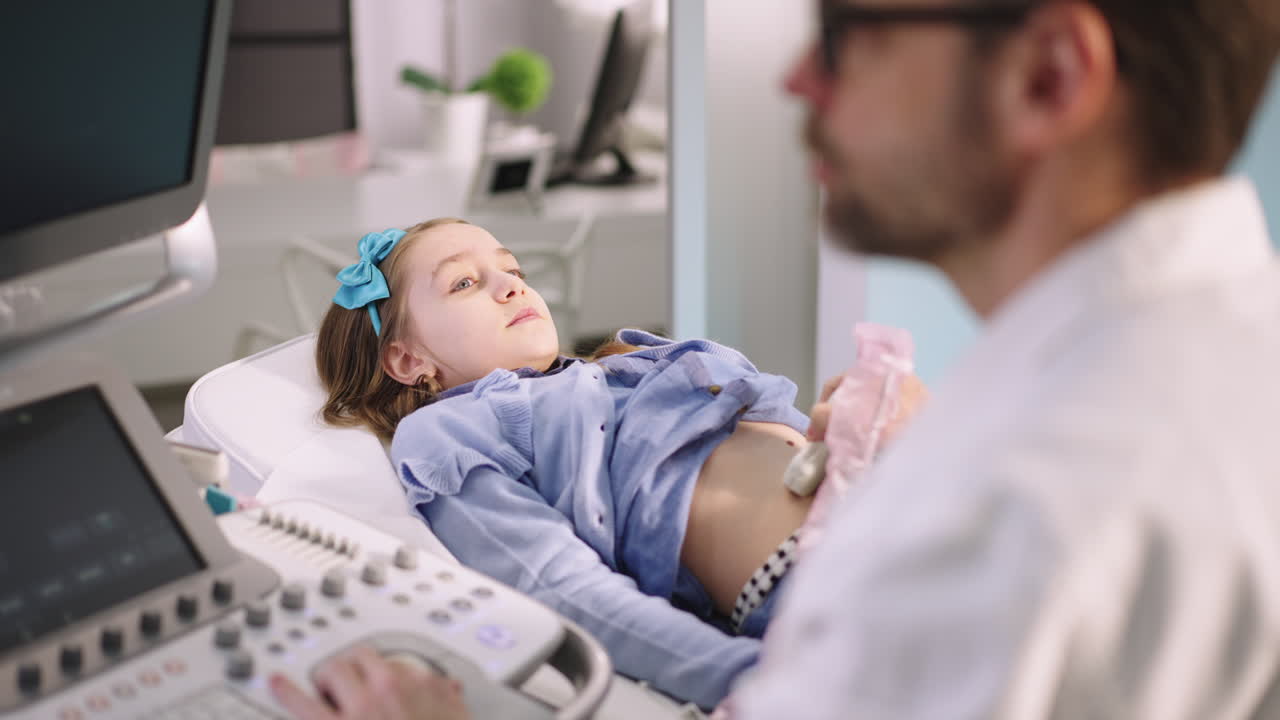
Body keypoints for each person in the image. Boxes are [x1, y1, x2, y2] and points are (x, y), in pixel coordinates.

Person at [276, 0, 1280, 716]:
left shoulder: (997, 519)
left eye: (846, 34)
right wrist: (911, 446)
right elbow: (568, 589)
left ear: (1048, 75)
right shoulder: (1187, 368)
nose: (797, 78)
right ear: (406, 358)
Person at [279, 216, 918, 711]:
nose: (511, 284)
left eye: (510, 266)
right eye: (466, 283)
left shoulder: (626, 359)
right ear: (407, 361)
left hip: (904, 508)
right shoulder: (451, 430)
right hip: (827, 574)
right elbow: (562, 588)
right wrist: (752, 681)